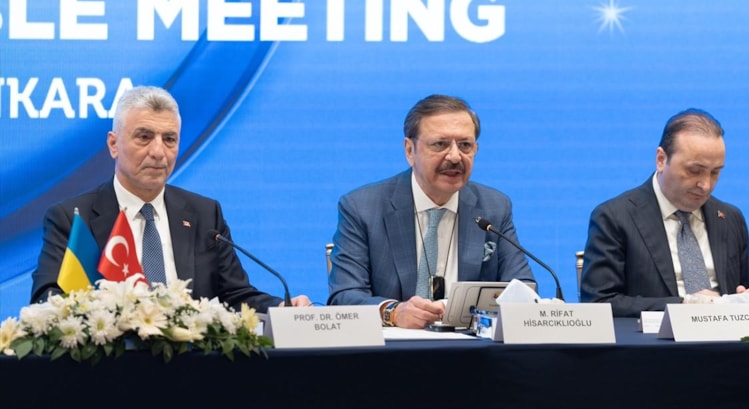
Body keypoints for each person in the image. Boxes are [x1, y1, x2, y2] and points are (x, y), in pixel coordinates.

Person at [31, 85, 311, 310]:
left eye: (169, 139)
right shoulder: (73, 217)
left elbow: (235, 296)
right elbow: (47, 300)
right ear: (113, 144)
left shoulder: (205, 214)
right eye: (144, 137)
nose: (158, 152)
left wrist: (281, 307)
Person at [327, 94, 534, 329]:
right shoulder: (363, 207)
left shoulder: (494, 207)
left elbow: (522, 289)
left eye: (465, 145)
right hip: (393, 349)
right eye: (440, 144)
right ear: (409, 150)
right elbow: (344, 296)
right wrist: (394, 313)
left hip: (470, 348)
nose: (455, 156)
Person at [580, 108, 749, 317]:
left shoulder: (730, 218)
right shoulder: (615, 218)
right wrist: (683, 306)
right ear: (661, 159)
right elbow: (600, 303)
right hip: (653, 338)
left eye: (715, 172)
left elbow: (743, 289)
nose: (705, 185)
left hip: (725, 337)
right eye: (695, 171)